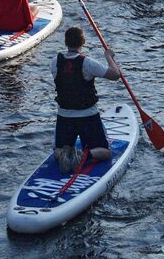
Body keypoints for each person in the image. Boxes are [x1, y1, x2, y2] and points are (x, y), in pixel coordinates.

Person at [52, 25, 122, 173]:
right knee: (106, 152)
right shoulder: (87, 63)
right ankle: (84, 155)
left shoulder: (55, 62)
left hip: (64, 117)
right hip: (88, 117)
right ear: (83, 42)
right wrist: (109, 57)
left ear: (65, 42)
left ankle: (63, 154)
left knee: (57, 150)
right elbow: (115, 75)